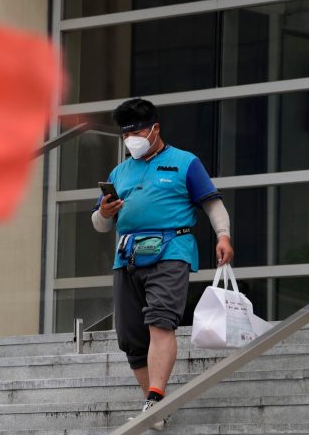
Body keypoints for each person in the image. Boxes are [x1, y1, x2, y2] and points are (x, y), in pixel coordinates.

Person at [91, 98, 233, 428]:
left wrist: (223, 236)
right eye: (125, 135)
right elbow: (99, 224)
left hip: (171, 250)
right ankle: (156, 408)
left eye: (137, 132)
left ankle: (154, 399)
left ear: (155, 129)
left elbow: (212, 204)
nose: (131, 140)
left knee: (160, 320)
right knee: (129, 336)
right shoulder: (119, 170)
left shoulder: (185, 163)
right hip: (126, 256)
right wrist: (104, 212)